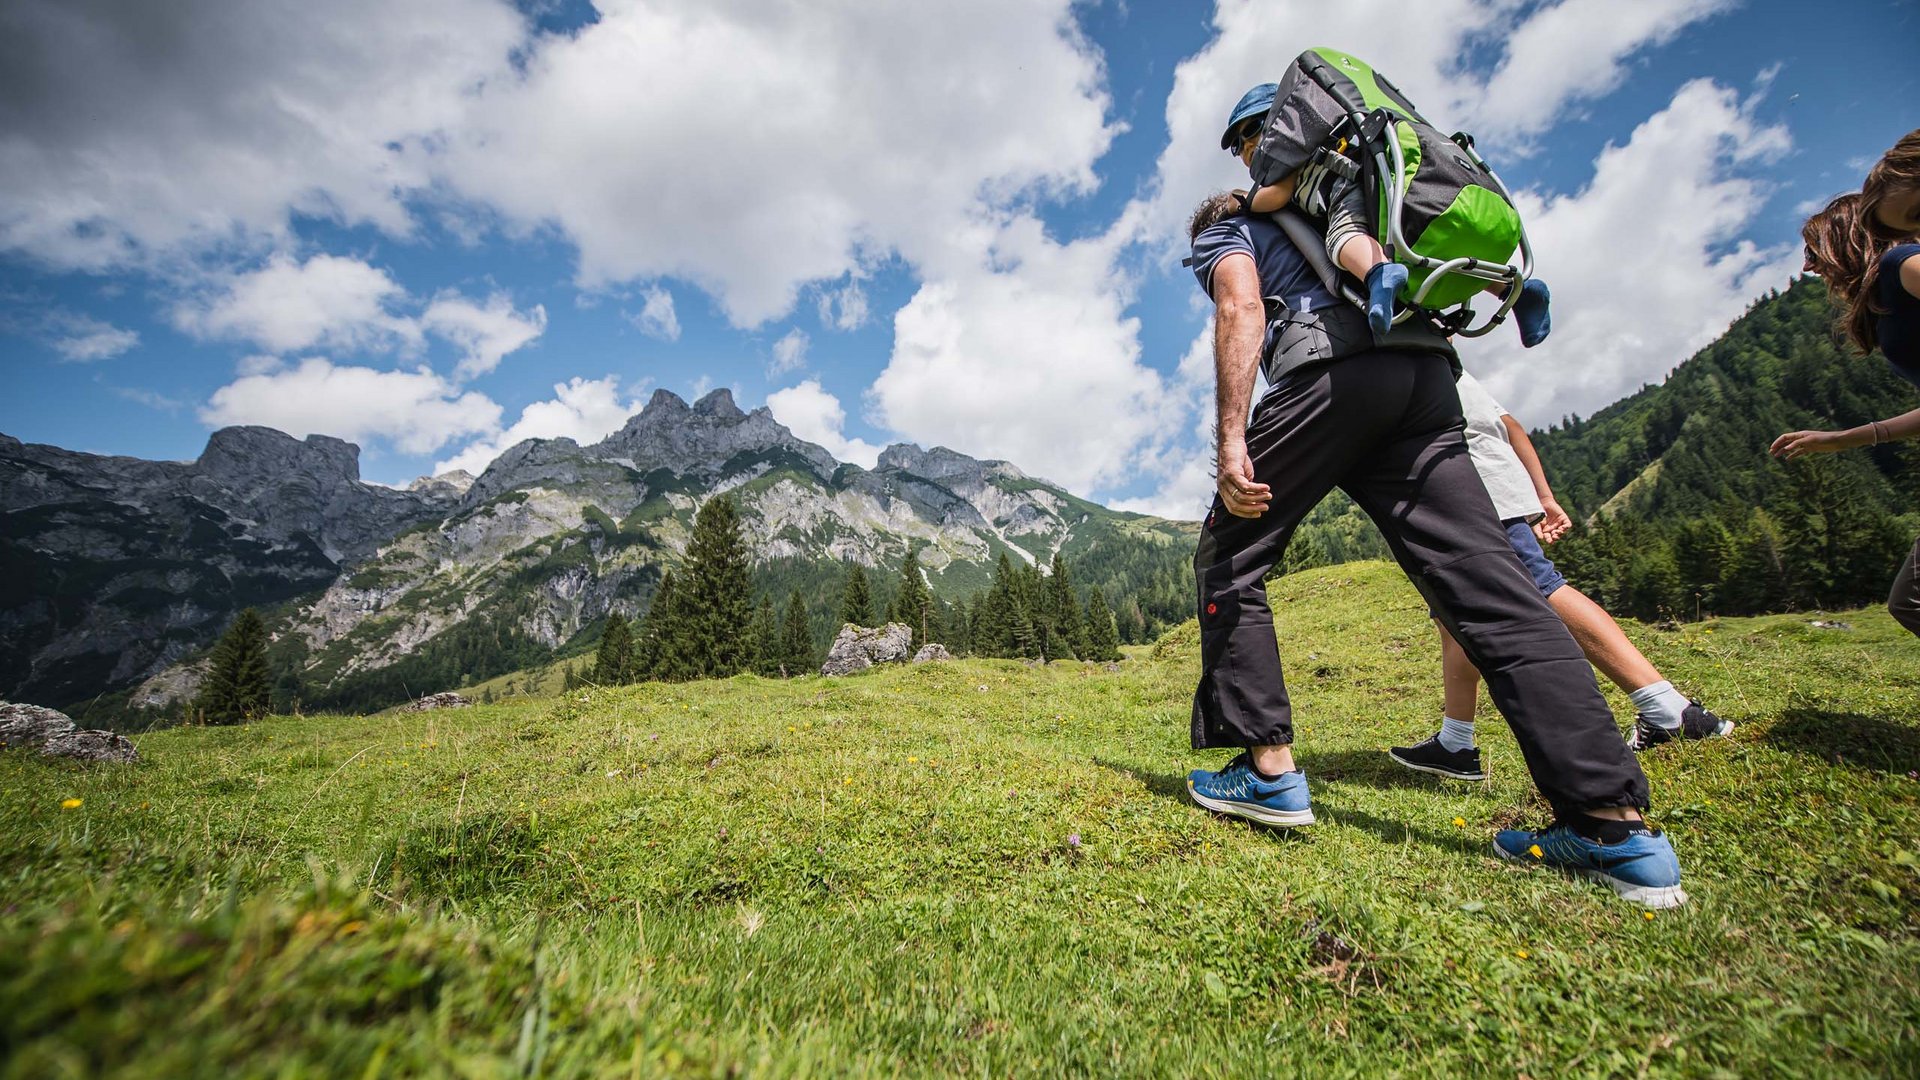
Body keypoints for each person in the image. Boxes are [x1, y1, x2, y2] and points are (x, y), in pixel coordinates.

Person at [1181, 180, 1686, 908]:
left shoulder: (1225, 229)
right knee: (1497, 587)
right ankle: (1616, 832)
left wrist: (1233, 439)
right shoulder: (1341, 211)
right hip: (1425, 381)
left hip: (1328, 376)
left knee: (1230, 554)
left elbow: (1240, 304)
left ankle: (1268, 774)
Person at [1387, 369, 1732, 783]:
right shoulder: (1446, 366)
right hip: (1492, 490)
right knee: (1452, 616)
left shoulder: (1405, 362)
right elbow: (1510, 426)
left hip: (1472, 494)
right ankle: (1456, 742)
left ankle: (1668, 708)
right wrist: (1543, 496)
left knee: (1541, 587)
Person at [1220, 81, 1552, 347]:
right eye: (1237, 145)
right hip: (1377, 191)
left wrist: (1243, 202)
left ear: (1281, 121)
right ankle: (1516, 291)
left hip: (1343, 194)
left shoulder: (1290, 152)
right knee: (1435, 254)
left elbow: (1275, 197)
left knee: (1342, 241)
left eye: (1251, 131)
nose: (1244, 147)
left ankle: (1378, 273)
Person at [1771, 130, 1920, 637]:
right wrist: (1839, 439)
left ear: (1848, 240)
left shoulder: (1903, 265)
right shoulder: (1889, 294)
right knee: (1911, 601)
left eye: (1815, 250)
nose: (1809, 266)